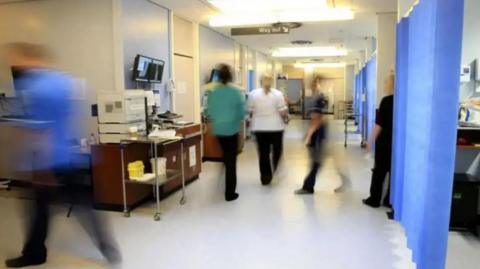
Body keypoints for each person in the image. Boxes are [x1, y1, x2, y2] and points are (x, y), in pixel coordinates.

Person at [2, 42, 120, 268]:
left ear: (27, 59)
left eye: (15, 59)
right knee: (81, 206)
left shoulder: (35, 88)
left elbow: (39, 129)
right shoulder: (61, 81)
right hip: (68, 154)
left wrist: (41, 169)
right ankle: (107, 246)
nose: (13, 64)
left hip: (49, 160)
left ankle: (35, 254)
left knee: (39, 209)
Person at [206, 64, 246, 202]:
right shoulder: (235, 92)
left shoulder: (213, 91)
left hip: (218, 130)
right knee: (231, 162)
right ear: (230, 77)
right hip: (231, 130)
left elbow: (208, 111)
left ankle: (222, 176)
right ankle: (230, 193)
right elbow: (241, 112)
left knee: (226, 156)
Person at [248, 74, 288, 185]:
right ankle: (274, 167)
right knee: (277, 151)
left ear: (260, 81)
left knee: (263, 154)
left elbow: (250, 111)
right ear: (272, 82)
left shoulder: (253, 94)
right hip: (276, 128)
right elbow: (282, 111)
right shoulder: (278, 94)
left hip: (259, 128)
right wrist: (285, 114)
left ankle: (265, 177)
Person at [363, 74, 395, 208]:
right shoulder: (403, 101)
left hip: (384, 143)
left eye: (386, 82)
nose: (384, 85)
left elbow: (379, 125)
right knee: (393, 172)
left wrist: (370, 141)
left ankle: (374, 199)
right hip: (397, 143)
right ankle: (389, 200)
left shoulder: (386, 101)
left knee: (379, 172)